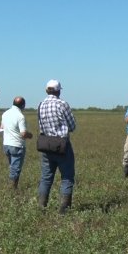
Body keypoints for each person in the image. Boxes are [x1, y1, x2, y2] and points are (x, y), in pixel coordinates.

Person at [37, 80, 76, 214]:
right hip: (61, 145)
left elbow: (41, 126)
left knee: (46, 178)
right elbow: (72, 126)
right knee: (67, 177)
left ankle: (41, 207)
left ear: (47, 90)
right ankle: (64, 210)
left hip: (46, 144)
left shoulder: (41, 104)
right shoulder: (62, 104)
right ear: (59, 91)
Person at [1, 97, 33, 189]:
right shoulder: (20, 116)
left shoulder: (5, 113)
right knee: (15, 169)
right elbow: (23, 133)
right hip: (17, 145)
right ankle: (12, 189)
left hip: (6, 144)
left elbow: (2, 127)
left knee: (12, 167)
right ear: (23, 105)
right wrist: (30, 135)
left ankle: (13, 188)